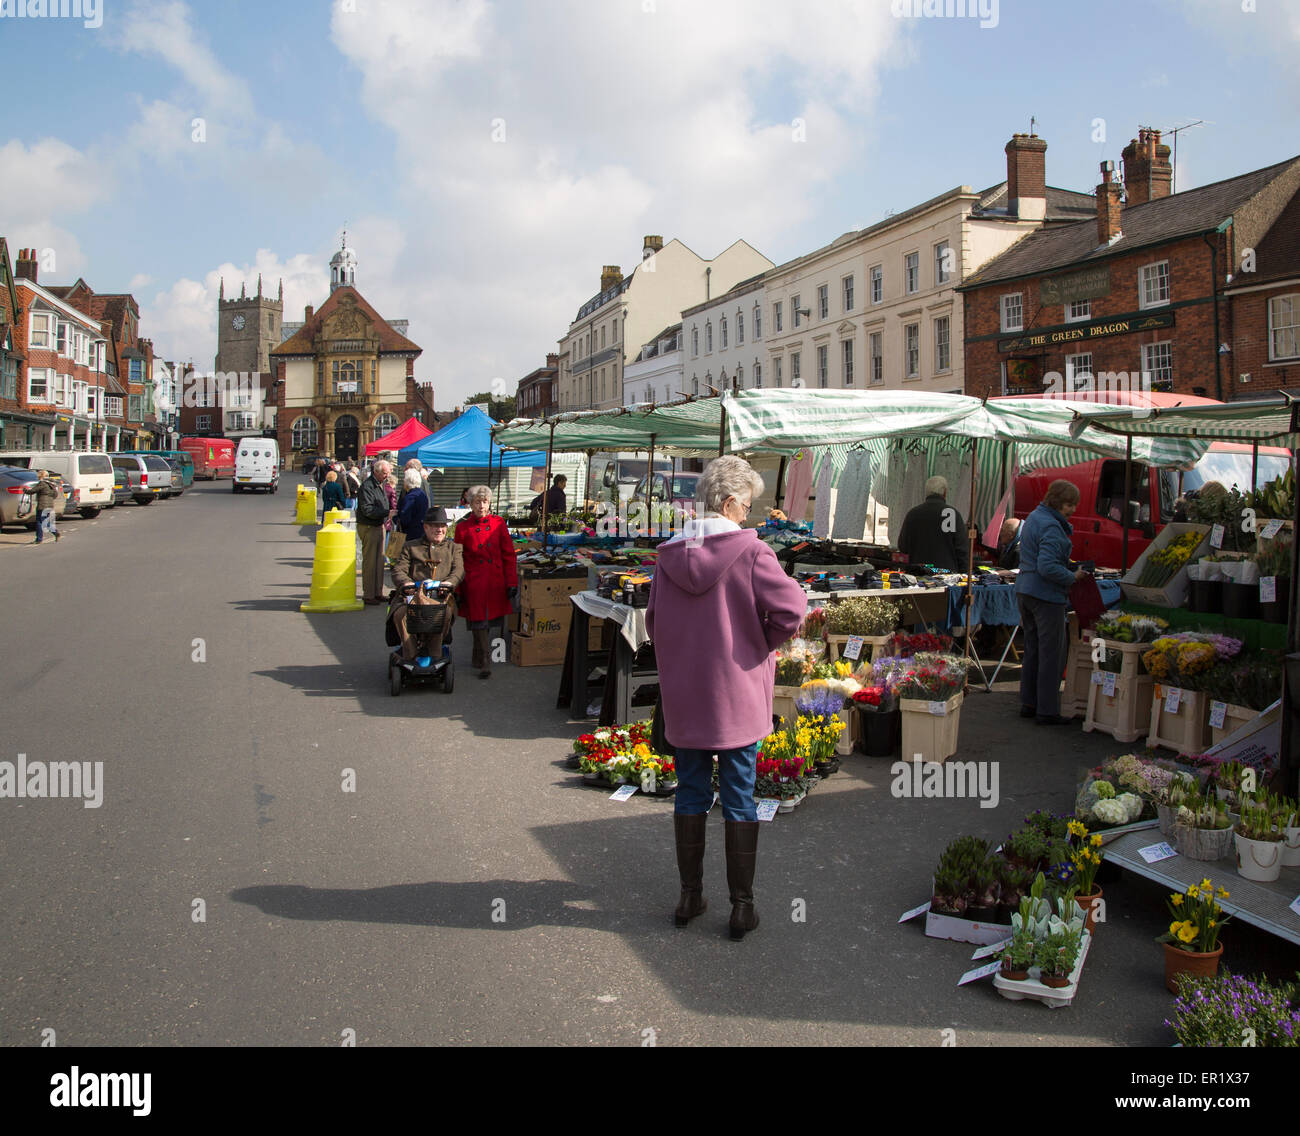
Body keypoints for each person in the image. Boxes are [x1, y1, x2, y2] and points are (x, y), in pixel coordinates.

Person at [646, 456, 807, 941]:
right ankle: (742, 907)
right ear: (730, 502)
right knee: (739, 796)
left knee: (691, 792)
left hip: (686, 694)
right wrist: (760, 644)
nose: (748, 515)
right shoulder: (752, 551)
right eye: (747, 506)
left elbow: (653, 623)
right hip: (736, 692)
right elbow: (792, 610)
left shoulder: (670, 552)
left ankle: (689, 895)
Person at [1015, 478, 1086, 726]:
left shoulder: (1035, 517)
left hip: (1025, 589)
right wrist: (1072, 575)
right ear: (1059, 502)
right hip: (1045, 595)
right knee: (1051, 654)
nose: (1073, 510)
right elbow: (1047, 567)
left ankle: (1029, 702)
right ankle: (1046, 710)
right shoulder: (1053, 527)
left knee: (1032, 650)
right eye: (1070, 505)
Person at [454, 485, 518, 679]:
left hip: (495, 579)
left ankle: (479, 654)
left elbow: (509, 554)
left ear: (489, 503)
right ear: (470, 504)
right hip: (474, 580)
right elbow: (457, 559)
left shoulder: (498, 523)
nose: (481, 506)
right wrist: (456, 588)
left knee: (490, 621)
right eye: (477, 502)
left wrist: (511, 582)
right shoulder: (462, 527)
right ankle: (486, 660)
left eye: (485, 502)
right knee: (479, 620)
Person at [389, 507, 464, 660]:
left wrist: (449, 583)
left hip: (441, 597)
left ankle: (434, 652)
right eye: (435, 526)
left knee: (444, 613)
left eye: (442, 526)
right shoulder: (410, 547)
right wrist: (406, 584)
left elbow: (459, 570)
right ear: (426, 527)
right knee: (400, 614)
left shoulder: (454, 548)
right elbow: (399, 570)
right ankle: (410, 654)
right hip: (412, 597)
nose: (440, 529)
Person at [896, 475, 968, 571]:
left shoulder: (913, 514)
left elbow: (903, 547)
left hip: (918, 574)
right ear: (945, 493)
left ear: (926, 493)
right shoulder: (953, 514)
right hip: (946, 575)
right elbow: (962, 550)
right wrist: (964, 574)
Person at [355, 459, 394, 604]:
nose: (387, 476)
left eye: (388, 473)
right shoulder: (367, 486)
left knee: (379, 561)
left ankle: (378, 591)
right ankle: (369, 594)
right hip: (369, 526)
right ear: (376, 472)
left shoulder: (380, 484)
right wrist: (386, 512)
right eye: (385, 473)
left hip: (379, 525)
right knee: (370, 562)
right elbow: (368, 509)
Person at [396, 469, 429, 542]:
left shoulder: (410, 497)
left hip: (410, 534)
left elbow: (405, 519)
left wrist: (396, 517)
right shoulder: (422, 494)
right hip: (421, 531)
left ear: (407, 481)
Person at [30, 470, 60, 544]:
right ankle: (55, 532)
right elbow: (55, 495)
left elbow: (32, 491)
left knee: (39, 521)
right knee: (46, 521)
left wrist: (25, 490)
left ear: (41, 476)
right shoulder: (52, 484)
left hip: (42, 505)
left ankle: (39, 539)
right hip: (50, 505)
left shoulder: (42, 483)